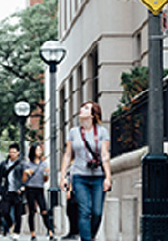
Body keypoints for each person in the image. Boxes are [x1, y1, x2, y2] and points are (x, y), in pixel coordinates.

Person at [60, 101, 112, 241]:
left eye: (86, 108)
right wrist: (63, 176)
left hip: (98, 177)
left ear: (93, 114)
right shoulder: (73, 132)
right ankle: (86, 239)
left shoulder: (102, 132)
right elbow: (67, 154)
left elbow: (105, 155)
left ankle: (90, 236)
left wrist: (108, 177)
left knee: (97, 213)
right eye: (82, 107)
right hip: (79, 176)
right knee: (84, 211)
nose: (82, 109)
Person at [21, 143, 54, 240]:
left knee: (44, 210)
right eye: (37, 150)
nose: (39, 152)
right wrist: (25, 173)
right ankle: (33, 234)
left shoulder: (44, 164)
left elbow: (45, 180)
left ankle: (50, 232)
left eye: (40, 150)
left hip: (40, 188)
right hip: (30, 188)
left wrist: (46, 174)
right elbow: (23, 180)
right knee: (32, 211)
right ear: (33, 151)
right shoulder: (27, 164)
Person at [0, 143, 25, 241]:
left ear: (18, 153)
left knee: (18, 213)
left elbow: (26, 178)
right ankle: (10, 224)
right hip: (6, 191)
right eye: (10, 152)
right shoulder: (3, 164)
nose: (12, 154)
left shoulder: (22, 164)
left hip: (17, 192)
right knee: (4, 211)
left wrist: (23, 187)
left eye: (14, 152)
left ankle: (16, 232)